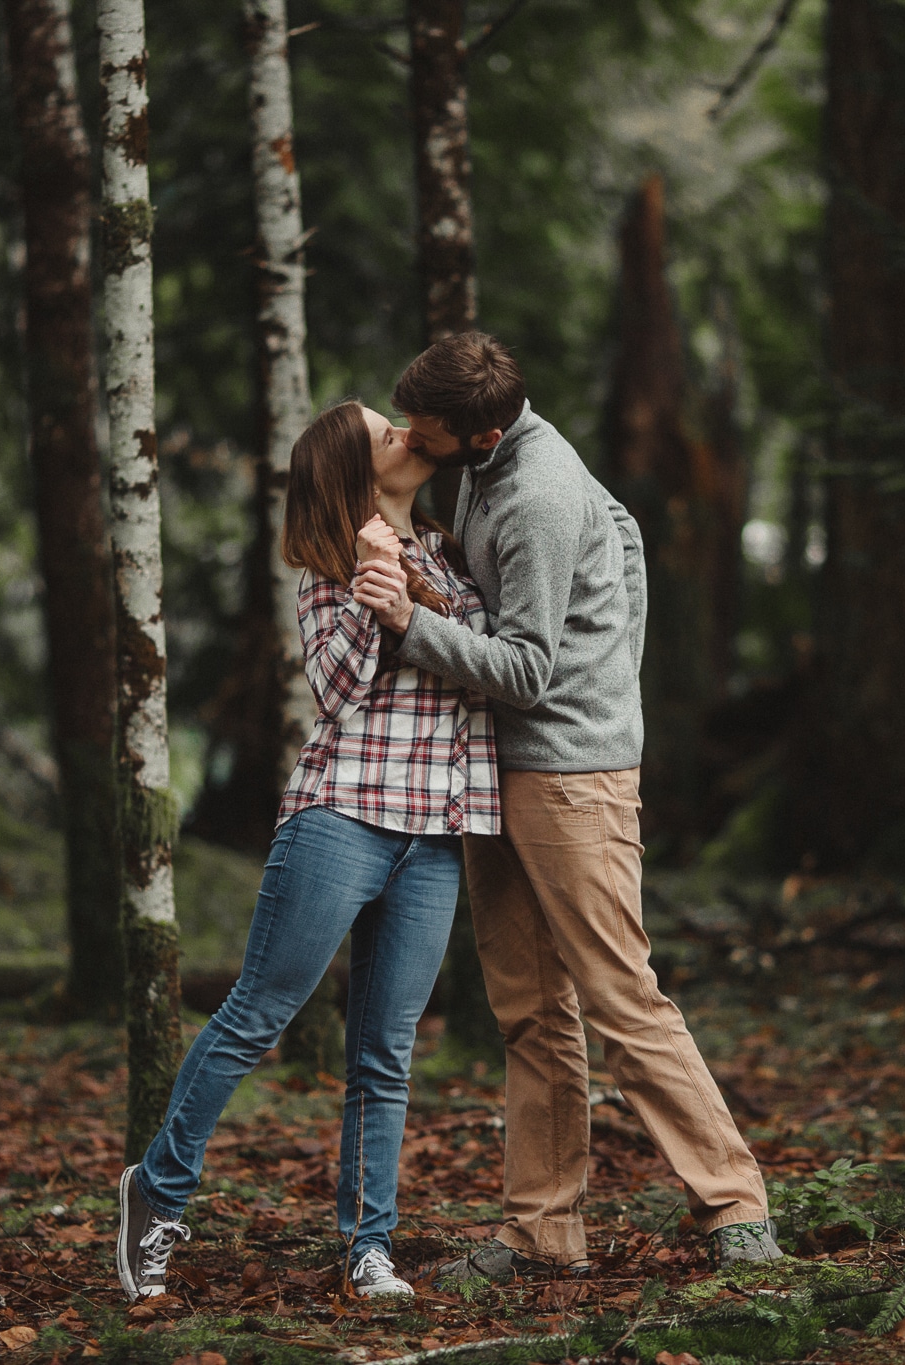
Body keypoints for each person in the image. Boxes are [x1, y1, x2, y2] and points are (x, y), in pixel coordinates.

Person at [350, 332, 782, 1282]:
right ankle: (543, 1228)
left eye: (426, 430)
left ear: (484, 430)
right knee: (529, 1011)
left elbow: (530, 667)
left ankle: (736, 1203)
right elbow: (622, 532)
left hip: (568, 779)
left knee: (622, 997)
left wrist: (409, 625)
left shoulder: (537, 492)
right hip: (503, 769)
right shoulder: (489, 468)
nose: (411, 439)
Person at [115, 400, 498, 1300]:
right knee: (257, 1016)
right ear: (356, 476)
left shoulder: (447, 552)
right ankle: (156, 1195)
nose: (406, 431)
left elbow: (486, 663)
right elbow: (334, 692)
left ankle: (369, 1245)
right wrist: (374, 590)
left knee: (385, 1052)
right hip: (342, 817)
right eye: (384, 434)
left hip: (435, 835)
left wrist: (415, 591)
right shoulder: (329, 568)